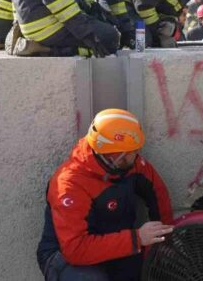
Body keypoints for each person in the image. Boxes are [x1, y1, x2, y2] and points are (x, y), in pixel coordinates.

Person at [36, 109, 174, 281]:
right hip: (67, 256)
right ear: (111, 156)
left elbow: (158, 193)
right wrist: (137, 238)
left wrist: (164, 240)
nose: (136, 157)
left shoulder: (130, 164)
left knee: (154, 269)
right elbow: (75, 250)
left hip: (119, 246)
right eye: (129, 153)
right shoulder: (70, 184)